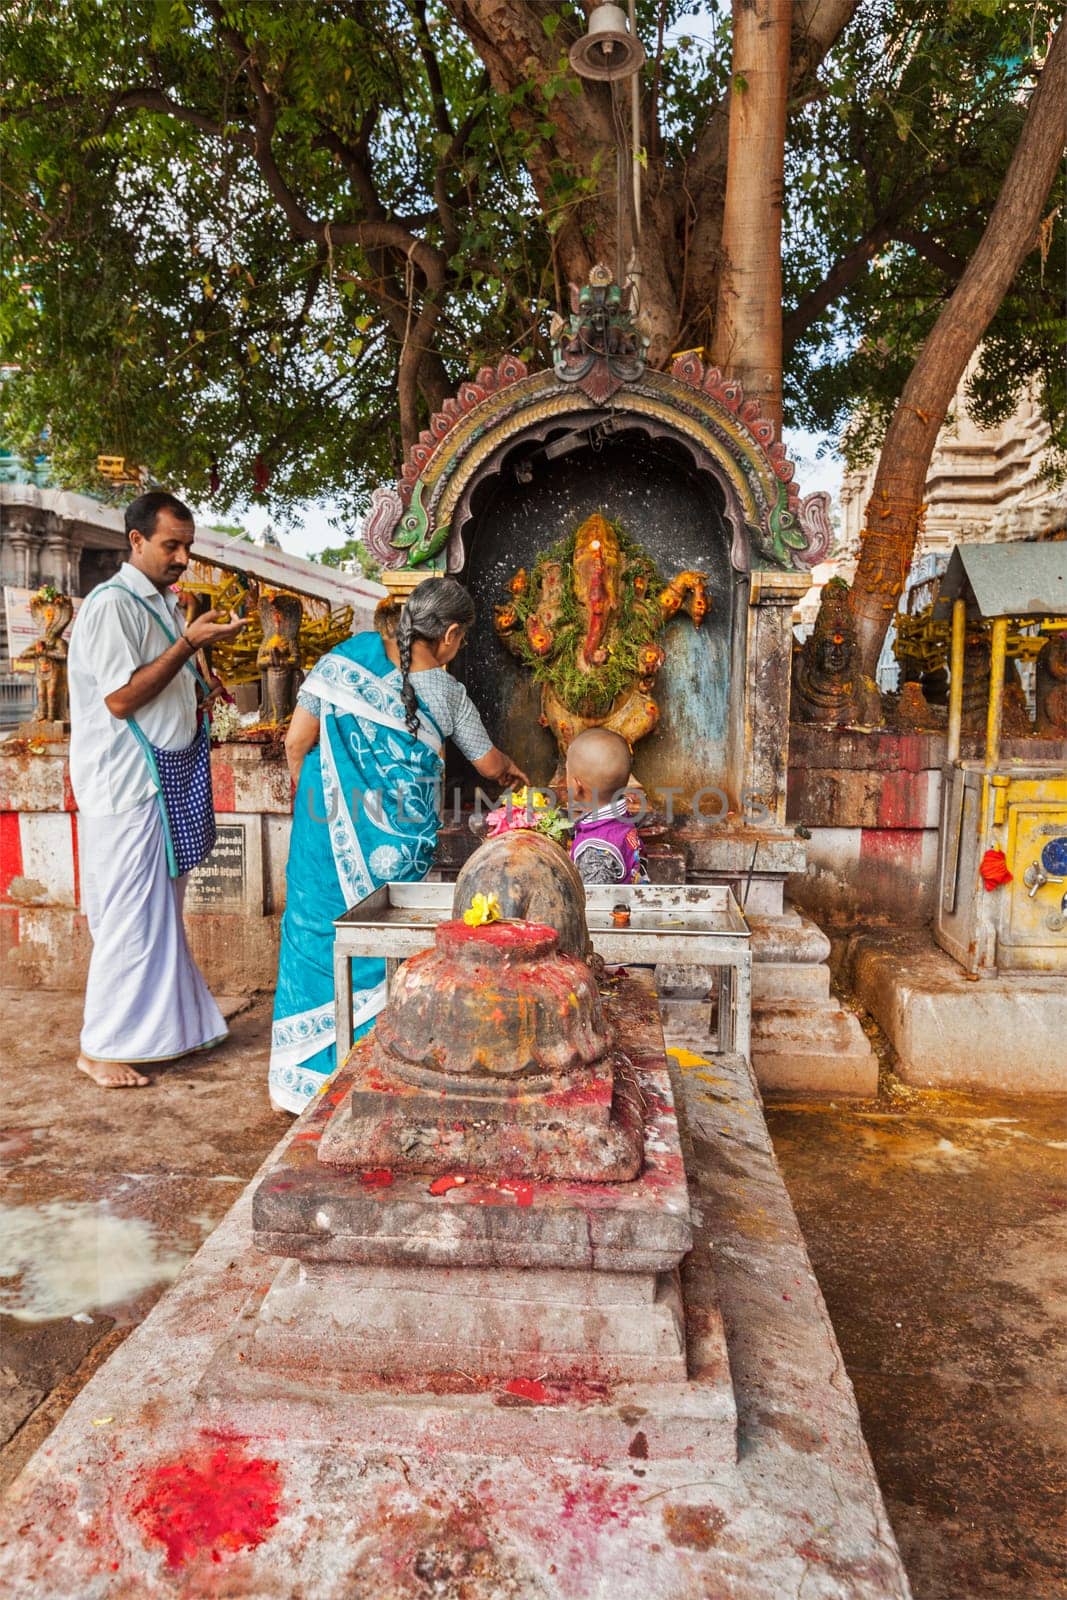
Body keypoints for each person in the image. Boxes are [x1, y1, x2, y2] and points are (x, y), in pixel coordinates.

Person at [270, 576, 527, 1114]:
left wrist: (324, 811)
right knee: (387, 946)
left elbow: (298, 743)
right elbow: (490, 765)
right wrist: (523, 783)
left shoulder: (342, 660)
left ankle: (298, 1084)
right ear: (452, 634)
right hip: (399, 854)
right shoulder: (449, 694)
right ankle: (375, 1070)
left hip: (323, 836)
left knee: (313, 940)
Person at [67, 490, 247, 1087]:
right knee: (130, 917)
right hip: (127, 784)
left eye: (188, 547)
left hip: (163, 778)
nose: (182, 558)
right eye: (171, 545)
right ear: (136, 540)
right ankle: (101, 1046)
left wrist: (200, 669)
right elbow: (121, 698)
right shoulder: (111, 606)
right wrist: (188, 644)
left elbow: (165, 682)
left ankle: (175, 1029)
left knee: (161, 913)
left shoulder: (161, 604)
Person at [565, 727, 646, 885]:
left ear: (576, 785)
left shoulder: (594, 853)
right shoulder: (622, 819)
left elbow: (593, 904)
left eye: (566, 771)